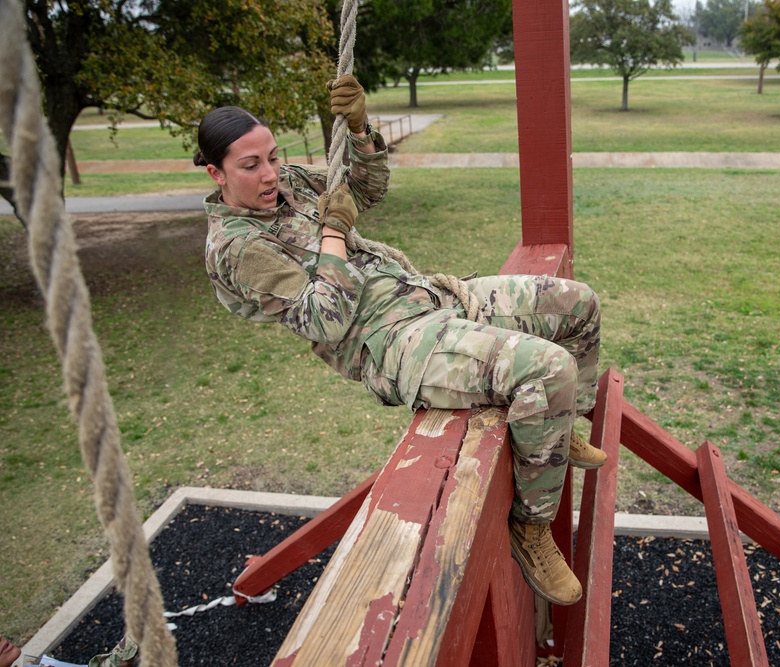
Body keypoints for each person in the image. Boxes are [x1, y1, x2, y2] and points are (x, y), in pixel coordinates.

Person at [196, 75, 606, 606]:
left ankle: (557, 426)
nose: (270, 174)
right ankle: (531, 527)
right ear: (216, 172)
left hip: (425, 295)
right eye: (251, 166)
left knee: (578, 305)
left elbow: (366, 190)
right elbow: (325, 320)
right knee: (548, 371)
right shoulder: (237, 247)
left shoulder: (291, 185)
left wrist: (361, 129)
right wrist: (334, 235)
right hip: (393, 342)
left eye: (273, 157)